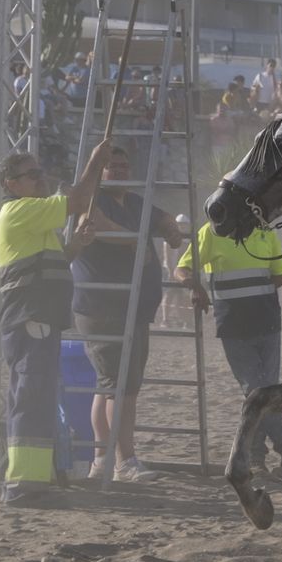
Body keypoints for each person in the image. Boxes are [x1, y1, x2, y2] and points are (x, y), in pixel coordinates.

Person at [0, 141, 109, 506]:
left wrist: (76, 244)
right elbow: (77, 199)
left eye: (41, 173)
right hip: (30, 319)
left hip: (38, 320)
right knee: (31, 400)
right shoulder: (19, 210)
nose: (40, 179)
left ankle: (32, 481)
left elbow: (55, 262)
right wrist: (95, 161)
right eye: (32, 175)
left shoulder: (34, 220)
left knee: (38, 399)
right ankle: (23, 485)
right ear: (11, 184)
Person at [70, 146, 185, 484]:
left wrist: (170, 230)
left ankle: (102, 460)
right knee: (120, 388)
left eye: (123, 166)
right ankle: (125, 461)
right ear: (100, 171)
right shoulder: (92, 199)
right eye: (112, 166)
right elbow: (97, 226)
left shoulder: (134, 203)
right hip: (103, 307)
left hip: (134, 309)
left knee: (111, 386)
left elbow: (162, 217)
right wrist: (134, 240)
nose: (119, 171)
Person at [175, 221, 282, 479]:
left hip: (266, 324)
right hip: (235, 327)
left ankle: (258, 458)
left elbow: (279, 276)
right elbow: (181, 269)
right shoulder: (211, 232)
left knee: (261, 394)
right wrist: (195, 286)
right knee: (258, 393)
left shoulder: (265, 231)